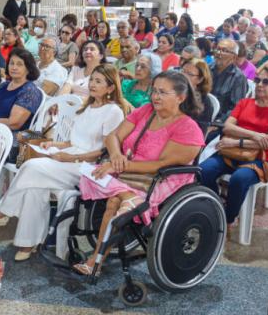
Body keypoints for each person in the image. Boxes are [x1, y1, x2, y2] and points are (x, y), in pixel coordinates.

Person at [73, 71, 204, 276]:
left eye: (162, 92)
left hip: (161, 177)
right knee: (91, 175)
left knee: (113, 201)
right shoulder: (145, 111)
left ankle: (95, 261)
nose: (155, 96)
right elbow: (113, 137)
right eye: (154, 91)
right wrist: (116, 156)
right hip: (126, 167)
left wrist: (119, 166)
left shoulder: (188, 128)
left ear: (180, 97)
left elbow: (161, 165)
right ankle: (128, 198)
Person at [0, 64, 128, 261]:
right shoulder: (86, 107)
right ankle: (27, 243)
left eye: (99, 81)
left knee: (31, 166)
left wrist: (70, 158)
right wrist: (53, 144)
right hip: (70, 157)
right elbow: (72, 142)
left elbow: (103, 151)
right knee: (33, 186)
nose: (92, 84)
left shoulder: (113, 111)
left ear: (110, 88)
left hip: (88, 166)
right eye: (92, 79)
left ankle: (0, 210)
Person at [200, 66, 268, 231]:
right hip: (231, 154)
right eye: (257, 80)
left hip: (263, 159)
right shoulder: (245, 103)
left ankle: (226, 220)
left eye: (266, 81)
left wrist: (236, 142)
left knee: (239, 178)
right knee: (203, 170)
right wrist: (256, 135)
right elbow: (227, 127)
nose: (259, 85)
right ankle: (215, 207)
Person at [0, 48, 42, 145]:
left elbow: (14, 123)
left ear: (28, 68)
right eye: (11, 63)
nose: (14, 67)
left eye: (19, 64)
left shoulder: (29, 90)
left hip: (9, 138)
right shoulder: (3, 85)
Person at [210, 39, 248, 122]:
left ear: (234, 56)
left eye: (224, 50)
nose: (218, 53)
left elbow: (236, 108)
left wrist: (219, 122)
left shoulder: (238, 77)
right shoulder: (207, 69)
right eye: (218, 49)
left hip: (218, 120)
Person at [181, 58, 214, 134]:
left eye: (190, 74)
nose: (183, 76)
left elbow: (198, 132)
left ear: (200, 79)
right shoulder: (172, 91)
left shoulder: (204, 102)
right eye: (182, 71)